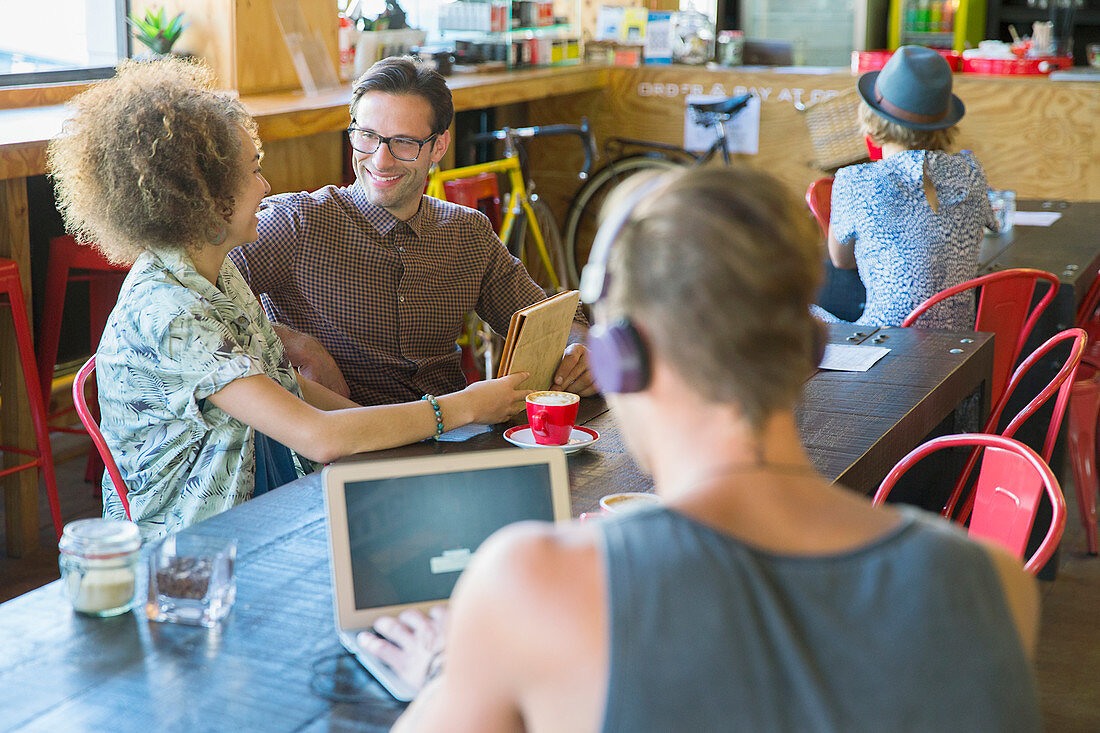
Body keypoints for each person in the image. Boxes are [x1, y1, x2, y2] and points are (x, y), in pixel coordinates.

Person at [359, 167, 1040, 731]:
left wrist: (448, 671)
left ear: (620, 361)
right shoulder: (991, 583)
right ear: (809, 350)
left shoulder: (532, 586)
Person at [46, 58, 531, 541]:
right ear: (205, 199)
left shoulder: (217, 275)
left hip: (267, 505)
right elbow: (317, 436)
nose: (266, 187)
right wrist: (460, 408)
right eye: (253, 172)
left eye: (403, 142)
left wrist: (421, 433)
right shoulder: (173, 314)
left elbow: (294, 392)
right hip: (195, 552)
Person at [229, 56, 595, 406]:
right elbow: (184, 293)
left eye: (403, 142)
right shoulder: (296, 223)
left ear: (439, 146)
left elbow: (551, 318)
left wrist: (580, 352)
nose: (380, 159)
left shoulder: (467, 232)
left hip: (455, 439)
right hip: (348, 449)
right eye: (367, 136)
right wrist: (292, 343)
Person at [812, 45, 996, 328]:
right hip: (959, 349)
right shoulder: (971, 171)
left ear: (872, 121)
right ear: (943, 122)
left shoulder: (855, 181)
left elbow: (841, 261)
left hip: (885, 347)